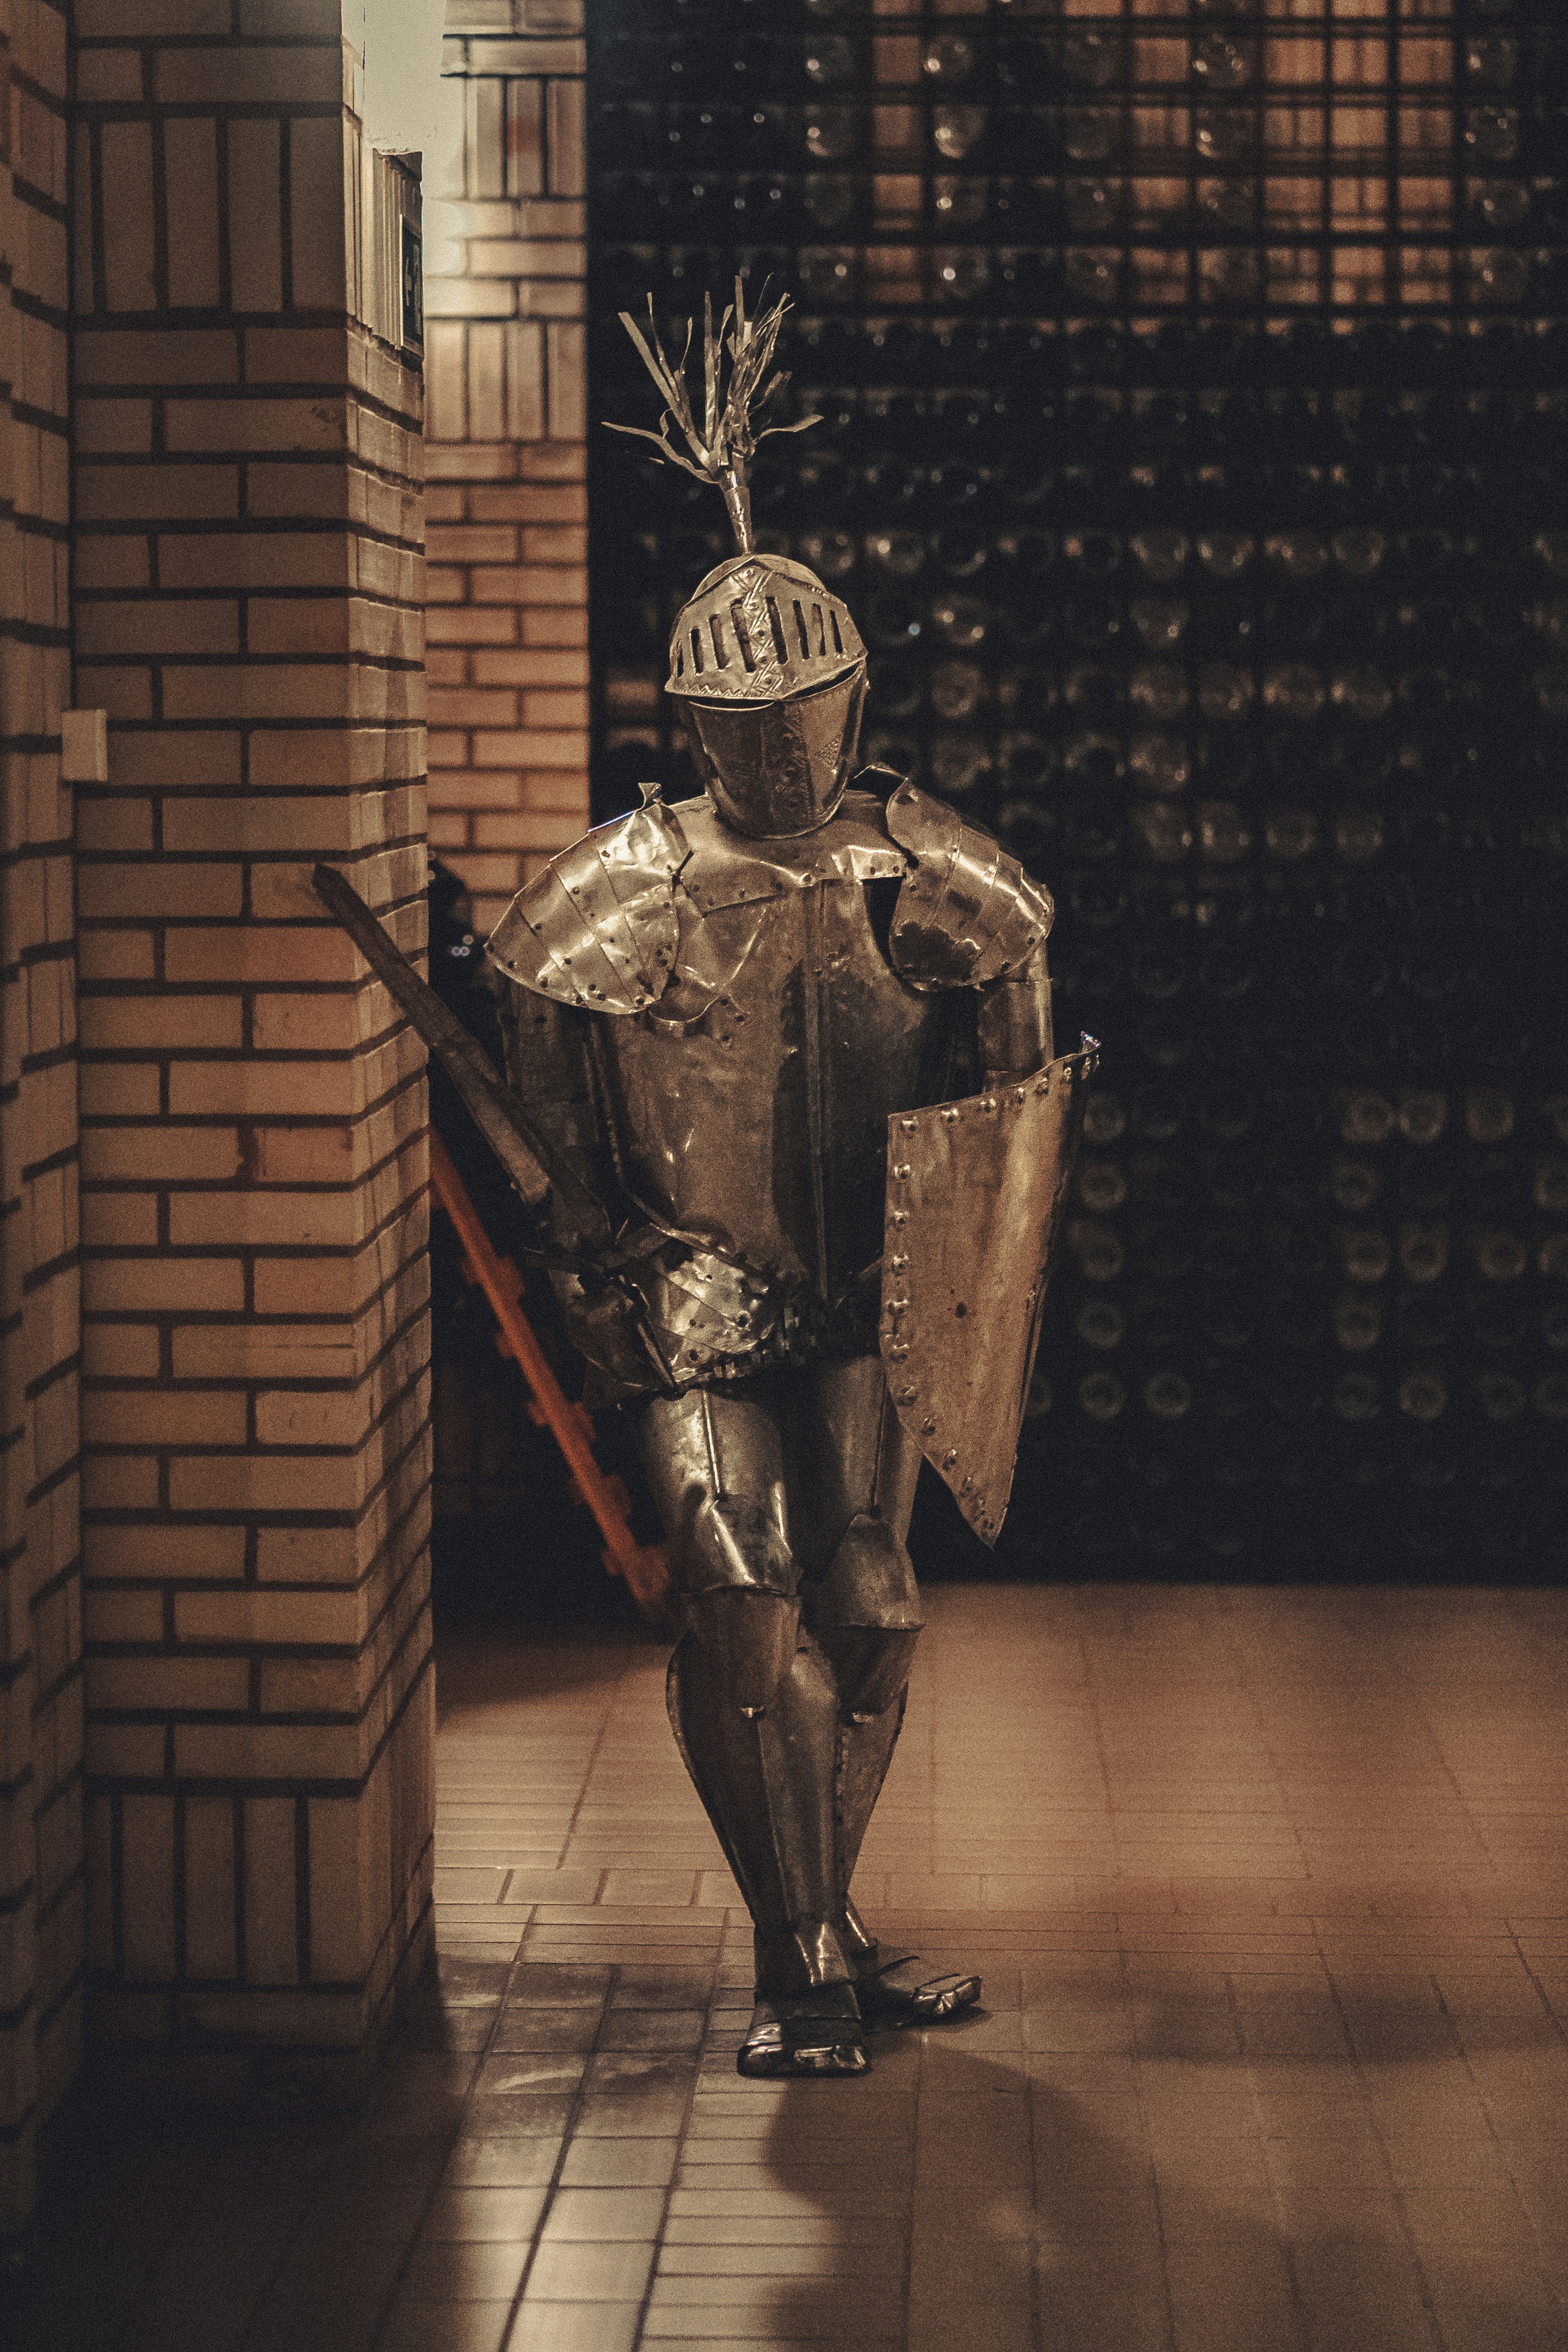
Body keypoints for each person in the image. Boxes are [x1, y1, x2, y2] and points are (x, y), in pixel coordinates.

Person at [484, 293, 1084, 2075]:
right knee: (735, 1586)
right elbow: (551, 1141)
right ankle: (798, 1944)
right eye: (746, 716)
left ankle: (833, 1907)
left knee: (872, 1599)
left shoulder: (942, 877)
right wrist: (605, 1271)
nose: (784, 746)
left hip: (864, 1295)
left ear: (856, 693)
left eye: (807, 706)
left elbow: (1008, 1126)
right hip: (695, 1289)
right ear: (690, 721)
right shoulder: (614, 892)